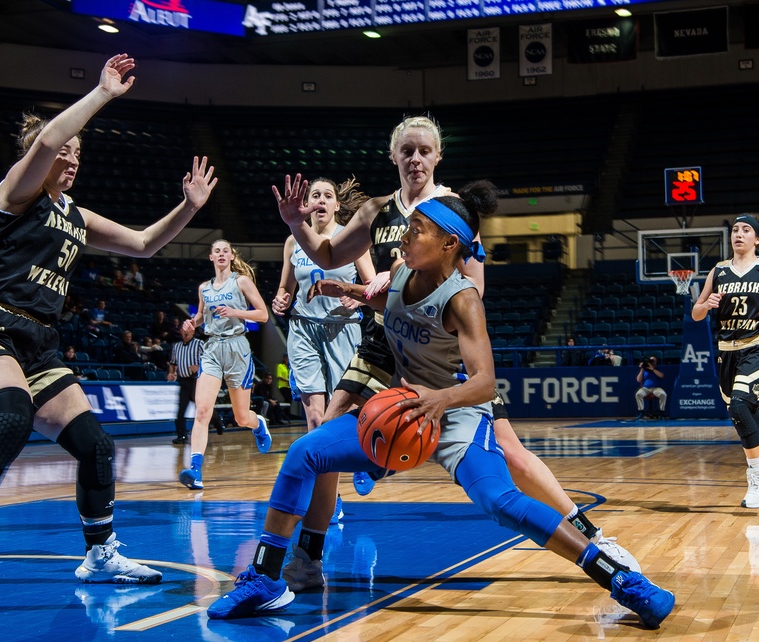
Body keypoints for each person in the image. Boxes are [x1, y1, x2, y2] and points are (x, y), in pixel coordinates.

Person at [207, 193, 674, 628]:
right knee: (305, 452)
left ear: (450, 243)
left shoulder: (462, 298)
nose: (405, 236)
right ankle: (267, 579)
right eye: (407, 227)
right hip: (402, 411)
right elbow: (380, 298)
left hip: (458, 413)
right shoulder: (400, 272)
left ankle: (621, 579)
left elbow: (486, 381)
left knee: (500, 502)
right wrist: (343, 288)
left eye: (417, 230)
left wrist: (440, 399)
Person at [272, 118, 637, 589]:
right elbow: (324, 253)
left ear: (438, 156)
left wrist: (406, 287)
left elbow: (474, 289)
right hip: (385, 337)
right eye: (407, 151)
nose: (416, 159)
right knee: (323, 436)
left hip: (440, 346)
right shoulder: (377, 211)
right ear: (394, 156)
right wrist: (299, 227)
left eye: (424, 151)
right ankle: (310, 553)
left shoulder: (453, 212)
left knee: (510, 450)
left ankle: (593, 537)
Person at [0, 54, 218, 605]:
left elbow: (145, 243)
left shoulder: (74, 216)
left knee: (96, 447)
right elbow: (51, 139)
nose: (73, 159)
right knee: (12, 415)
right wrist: (101, 94)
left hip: (39, 341)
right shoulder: (14, 195)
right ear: (43, 155)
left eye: (80, 154)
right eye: (66, 152)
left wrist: (189, 208)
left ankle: (99, 553)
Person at [692, 213, 759, 510]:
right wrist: (704, 305)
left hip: (758, 347)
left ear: (756, 239)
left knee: (738, 407)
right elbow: (696, 313)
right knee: (750, 416)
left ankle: (758, 479)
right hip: (727, 352)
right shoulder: (718, 271)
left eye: (746, 230)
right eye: (735, 229)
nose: (739, 234)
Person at [271, 176, 375, 432]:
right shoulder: (293, 241)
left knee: (344, 410)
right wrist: (280, 299)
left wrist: (357, 297)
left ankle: (358, 465)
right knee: (315, 416)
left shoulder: (351, 239)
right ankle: (321, 468)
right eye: (315, 195)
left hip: (342, 327)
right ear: (306, 204)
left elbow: (372, 285)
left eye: (328, 196)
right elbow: (286, 287)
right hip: (304, 329)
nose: (321, 200)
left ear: (337, 205)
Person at [178, 239, 270, 491]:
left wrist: (235, 312)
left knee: (241, 417)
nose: (221, 254)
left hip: (237, 349)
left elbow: (263, 314)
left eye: (225, 251)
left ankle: (258, 423)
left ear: (231, 256)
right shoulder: (203, 288)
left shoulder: (241, 281)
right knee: (202, 412)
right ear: (210, 257)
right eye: (216, 251)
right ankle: (195, 470)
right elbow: (200, 317)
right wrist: (191, 324)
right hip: (212, 350)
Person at [167, 324, 223, 444]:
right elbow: (173, 363)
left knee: (202, 408)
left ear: (193, 331)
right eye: (184, 330)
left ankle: (217, 421)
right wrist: (171, 373)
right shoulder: (176, 347)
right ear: (180, 331)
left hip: (197, 381)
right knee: (181, 410)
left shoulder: (199, 344)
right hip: (183, 381)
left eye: (189, 330)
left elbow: (210, 360)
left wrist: (199, 367)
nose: (186, 332)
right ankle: (181, 436)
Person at [634, 355, 667, 420]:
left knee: (663, 394)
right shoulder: (645, 370)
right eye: (650, 360)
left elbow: (662, 376)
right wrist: (642, 369)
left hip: (656, 388)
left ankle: (661, 412)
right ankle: (641, 412)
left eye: (653, 361)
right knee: (638, 394)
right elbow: (638, 380)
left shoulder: (657, 368)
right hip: (645, 388)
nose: (652, 362)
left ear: (656, 362)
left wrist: (653, 369)